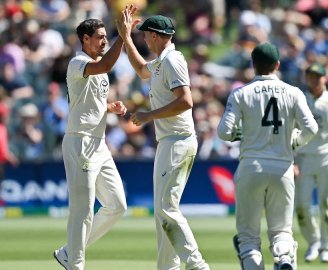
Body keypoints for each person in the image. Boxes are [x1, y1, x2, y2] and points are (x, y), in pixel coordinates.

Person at [116, 9, 210, 270]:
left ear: (157, 36)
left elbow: (186, 101)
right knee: (162, 213)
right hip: (169, 141)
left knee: (166, 209)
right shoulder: (160, 62)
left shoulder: (172, 61)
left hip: (178, 140)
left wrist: (148, 116)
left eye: (146, 35)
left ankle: (196, 264)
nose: (145, 39)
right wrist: (126, 38)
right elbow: (141, 71)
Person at [217, 42, 318, 270]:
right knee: (281, 231)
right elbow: (311, 128)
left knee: (248, 237)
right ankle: (283, 259)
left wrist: (239, 133)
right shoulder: (294, 93)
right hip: (282, 168)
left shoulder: (240, 93)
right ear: (278, 65)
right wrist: (294, 141)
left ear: (253, 65)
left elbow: (223, 131)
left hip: (251, 166)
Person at [53, 7, 137, 269]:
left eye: (105, 36)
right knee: (83, 210)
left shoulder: (100, 70)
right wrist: (122, 37)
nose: (103, 41)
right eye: (99, 37)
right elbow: (105, 63)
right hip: (80, 142)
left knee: (117, 205)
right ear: (85, 39)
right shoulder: (78, 62)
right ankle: (75, 264)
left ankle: (69, 251)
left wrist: (109, 108)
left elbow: (87, 102)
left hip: (98, 144)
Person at [294, 63, 328, 264]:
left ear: (325, 78)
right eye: (311, 76)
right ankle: (313, 242)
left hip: (327, 158)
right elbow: (291, 132)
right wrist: (292, 160)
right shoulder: (298, 99)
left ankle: (327, 248)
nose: (314, 80)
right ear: (306, 78)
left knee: (327, 206)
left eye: (318, 76)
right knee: (302, 207)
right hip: (304, 159)